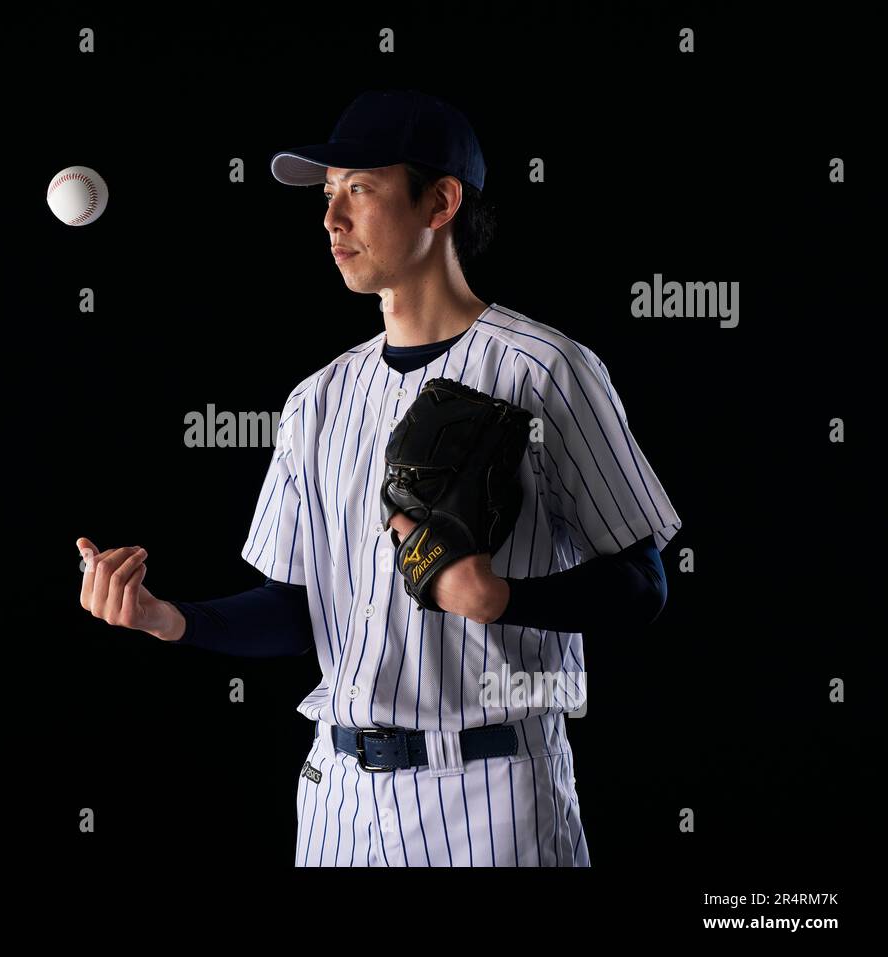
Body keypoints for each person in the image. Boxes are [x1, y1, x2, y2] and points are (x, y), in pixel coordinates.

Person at [76, 89, 681, 866]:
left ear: (441, 201)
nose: (331, 219)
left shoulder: (546, 369)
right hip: (338, 798)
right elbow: (299, 609)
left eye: (358, 189)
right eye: (327, 195)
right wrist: (172, 618)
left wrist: (504, 600)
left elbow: (645, 583)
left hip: (491, 789)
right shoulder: (317, 399)